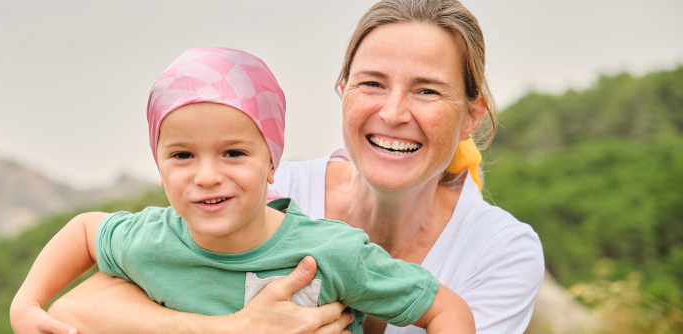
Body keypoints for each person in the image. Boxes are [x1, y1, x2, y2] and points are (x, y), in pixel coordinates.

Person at [46, 1, 545, 333]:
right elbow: (73, 311)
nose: (393, 113)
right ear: (343, 91)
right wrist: (236, 327)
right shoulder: (263, 190)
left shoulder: (501, 251)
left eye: (427, 90)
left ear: (470, 117)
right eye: (372, 83)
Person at [10, 47, 476, 334]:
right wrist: (26, 303)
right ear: (158, 167)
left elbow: (445, 309)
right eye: (182, 156)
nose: (207, 176)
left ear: (272, 162)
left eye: (233, 153)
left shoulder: (330, 252)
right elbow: (85, 231)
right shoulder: (149, 239)